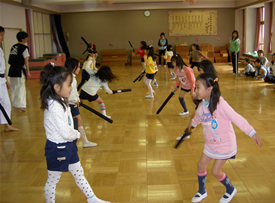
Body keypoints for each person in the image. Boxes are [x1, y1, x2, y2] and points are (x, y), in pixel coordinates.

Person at [40, 63, 110, 203]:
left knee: (79, 174)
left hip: (69, 146)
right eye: (69, 85)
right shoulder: (54, 106)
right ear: (57, 87)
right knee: (53, 181)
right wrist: (76, 135)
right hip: (58, 149)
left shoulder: (60, 99)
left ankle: (92, 198)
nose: (72, 88)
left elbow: (68, 124)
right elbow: (65, 132)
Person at [189, 73, 262, 203]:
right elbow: (197, 118)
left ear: (209, 89)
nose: (195, 91)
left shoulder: (221, 105)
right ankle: (202, 191)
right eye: (195, 88)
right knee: (201, 166)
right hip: (211, 145)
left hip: (225, 145)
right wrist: (192, 125)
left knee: (216, 171)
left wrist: (252, 132)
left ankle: (230, 189)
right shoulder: (201, 106)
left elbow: (237, 118)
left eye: (198, 87)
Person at [177, 60, 217, 140]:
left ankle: (215, 136)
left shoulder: (210, 79)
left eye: (200, 70)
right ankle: (187, 134)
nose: (199, 72)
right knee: (194, 118)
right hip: (204, 103)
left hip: (209, 103)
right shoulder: (204, 78)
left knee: (212, 121)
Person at [65, 58, 97, 148]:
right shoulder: (70, 78)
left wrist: (77, 98)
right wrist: (74, 100)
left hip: (72, 103)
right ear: (73, 67)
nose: (79, 69)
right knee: (79, 122)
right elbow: (69, 93)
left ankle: (82, 141)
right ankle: (84, 142)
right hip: (71, 104)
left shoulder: (70, 77)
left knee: (75, 122)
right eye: (78, 67)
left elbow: (74, 91)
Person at [0, 26, 19, 132]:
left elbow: (2, 68)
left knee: (6, 103)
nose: (2, 37)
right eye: (1, 35)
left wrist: (6, 80)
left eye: (3, 34)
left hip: (1, 80)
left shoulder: (0, 50)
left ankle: (6, 125)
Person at [8, 31, 31, 112]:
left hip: (11, 70)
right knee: (20, 87)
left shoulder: (13, 47)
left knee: (14, 87)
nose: (27, 39)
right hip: (19, 70)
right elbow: (26, 60)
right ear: (23, 39)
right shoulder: (24, 48)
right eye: (26, 37)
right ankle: (21, 105)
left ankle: (15, 104)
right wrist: (28, 71)